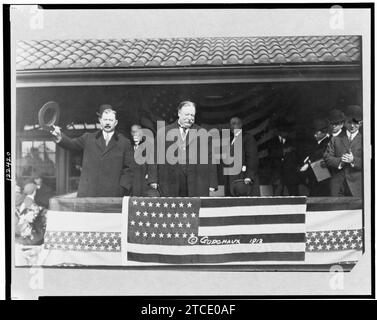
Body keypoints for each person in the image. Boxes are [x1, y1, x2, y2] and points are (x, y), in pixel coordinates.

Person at [50, 105, 134, 197]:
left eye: (110, 120)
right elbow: (72, 144)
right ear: (100, 121)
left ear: (116, 122)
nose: (107, 123)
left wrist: (122, 188)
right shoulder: (88, 138)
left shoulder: (124, 143)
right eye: (105, 120)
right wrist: (60, 137)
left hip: (113, 194)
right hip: (89, 193)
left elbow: (129, 169)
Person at [157, 100, 218, 196]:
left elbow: (211, 159)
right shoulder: (163, 132)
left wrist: (212, 183)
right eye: (186, 115)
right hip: (170, 182)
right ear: (179, 114)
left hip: (196, 183)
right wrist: (153, 179)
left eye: (192, 115)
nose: (189, 118)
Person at [324, 105, 362, 197]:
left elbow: (370, 164)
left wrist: (353, 160)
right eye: (349, 122)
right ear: (344, 123)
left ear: (361, 123)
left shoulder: (365, 140)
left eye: (356, 123)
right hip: (337, 186)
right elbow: (327, 157)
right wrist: (340, 161)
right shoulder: (336, 139)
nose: (352, 126)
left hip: (357, 186)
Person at [224, 117, 260, 196]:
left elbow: (252, 157)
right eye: (230, 124)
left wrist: (249, 176)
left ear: (240, 125)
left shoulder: (247, 138)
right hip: (232, 178)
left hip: (243, 177)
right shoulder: (230, 140)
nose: (232, 126)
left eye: (234, 123)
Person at [267, 118, 300, 196]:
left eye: (286, 130)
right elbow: (271, 154)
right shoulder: (272, 141)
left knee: (294, 193)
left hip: (290, 172)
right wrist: (284, 151)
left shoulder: (292, 141)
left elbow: (297, 155)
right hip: (277, 172)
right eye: (282, 130)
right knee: (278, 193)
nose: (285, 132)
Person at [299, 119, 331, 196]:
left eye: (317, 132)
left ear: (324, 132)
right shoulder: (317, 142)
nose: (314, 134)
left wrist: (308, 163)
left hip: (322, 174)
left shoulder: (328, 141)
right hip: (316, 174)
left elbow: (320, 154)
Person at [130, 124, 158, 196]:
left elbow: (152, 163)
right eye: (133, 132)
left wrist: (152, 180)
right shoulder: (128, 145)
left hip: (144, 179)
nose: (135, 134)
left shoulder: (148, 146)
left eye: (137, 132)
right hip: (131, 180)